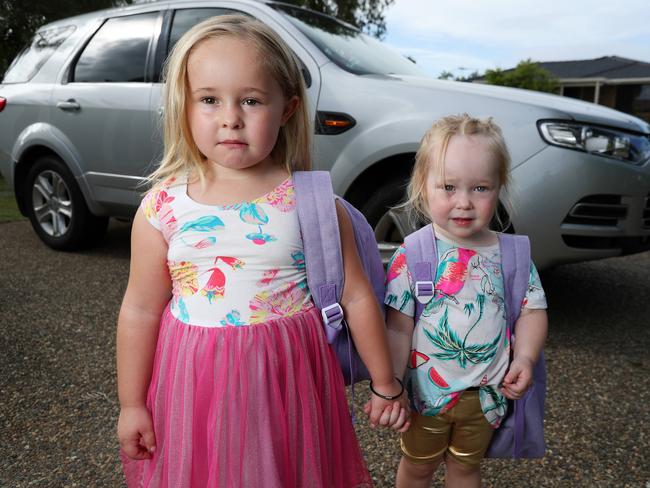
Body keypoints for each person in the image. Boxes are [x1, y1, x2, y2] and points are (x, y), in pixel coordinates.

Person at [115, 14, 409, 488]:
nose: (230, 117)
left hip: (285, 380)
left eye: (250, 100)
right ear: (184, 107)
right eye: (209, 100)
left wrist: (385, 383)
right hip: (194, 382)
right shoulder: (162, 207)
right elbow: (141, 308)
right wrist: (132, 404)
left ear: (287, 108)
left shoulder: (312, 203)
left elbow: (356, 297)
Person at [385, 114, 548, 488]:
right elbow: (397, 327)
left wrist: (524, 357)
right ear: (423, 187)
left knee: (465, 468)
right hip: (426, 396)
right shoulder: (414, 255)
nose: (464, 202)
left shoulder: (513, 255)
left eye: (480, 188)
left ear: (499, 187)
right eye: (448, 187)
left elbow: (532, 310)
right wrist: (391, 383)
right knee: (418, 466)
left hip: (486, 397)